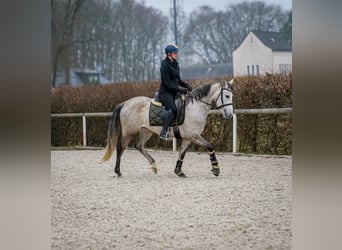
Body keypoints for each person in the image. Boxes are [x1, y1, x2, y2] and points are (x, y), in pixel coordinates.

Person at [158, 44, 192, 140]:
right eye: (174, 53)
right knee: (173, 109)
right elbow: (167, 83)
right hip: (165, 92)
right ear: (169, 54)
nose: (176, 54)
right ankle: (164, 131)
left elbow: (178, 80)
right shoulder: (164, 65)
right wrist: (181, 90)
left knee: (183, 106)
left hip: (174, 92)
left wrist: (186, 85)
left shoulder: (176, 64)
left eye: (177, 52)